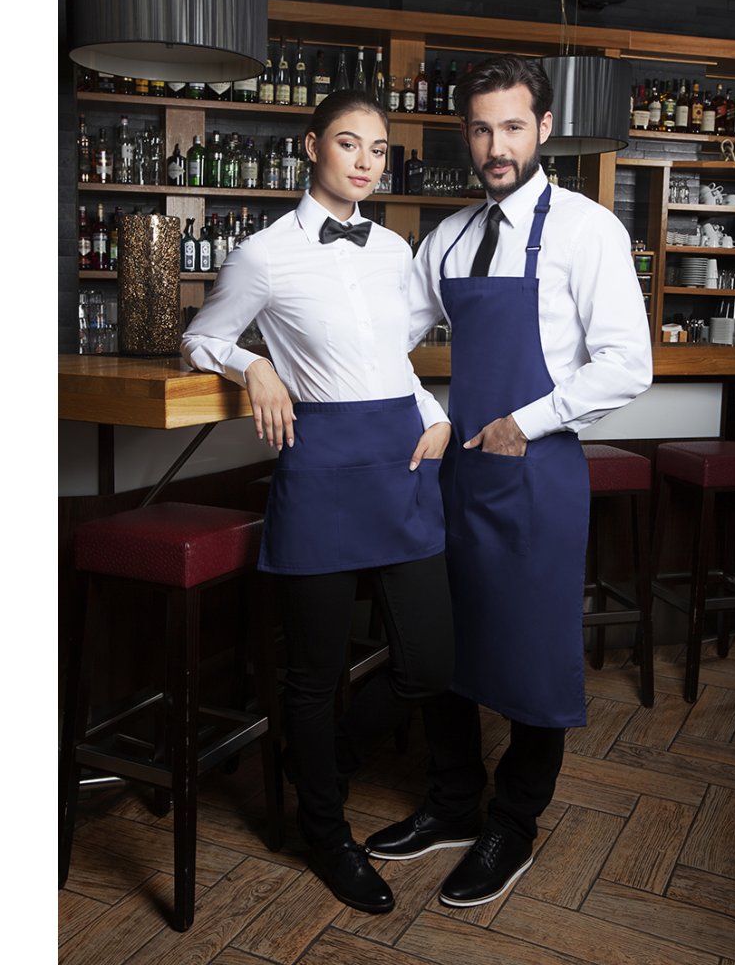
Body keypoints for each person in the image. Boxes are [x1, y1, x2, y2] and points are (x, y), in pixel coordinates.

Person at [365, 55, 653, 907]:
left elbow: (628, 364)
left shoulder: (588, 230)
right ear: (466, 133)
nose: (497, 147)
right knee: (444, 641)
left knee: (533, 650)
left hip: (536, 473)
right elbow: (386, 341)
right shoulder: (449, 236)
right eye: (483, 129)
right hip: (458, 474)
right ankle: (454, 802)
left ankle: (514, 823)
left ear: (544, 129)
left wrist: (524, 423)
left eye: (514, 127)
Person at [180, 91, 455, 915]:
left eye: (379, 149)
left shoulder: (396, 250)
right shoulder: (264, 254)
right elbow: (200, 336)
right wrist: (254, 366)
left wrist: (435, 413)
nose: (366, 162)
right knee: (313, 673)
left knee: (431, 661)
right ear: (311, 147)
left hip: (403, 458)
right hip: (323, 468)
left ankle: (319, 761)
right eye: (348, 143)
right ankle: (326, 834)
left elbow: (391, 356)